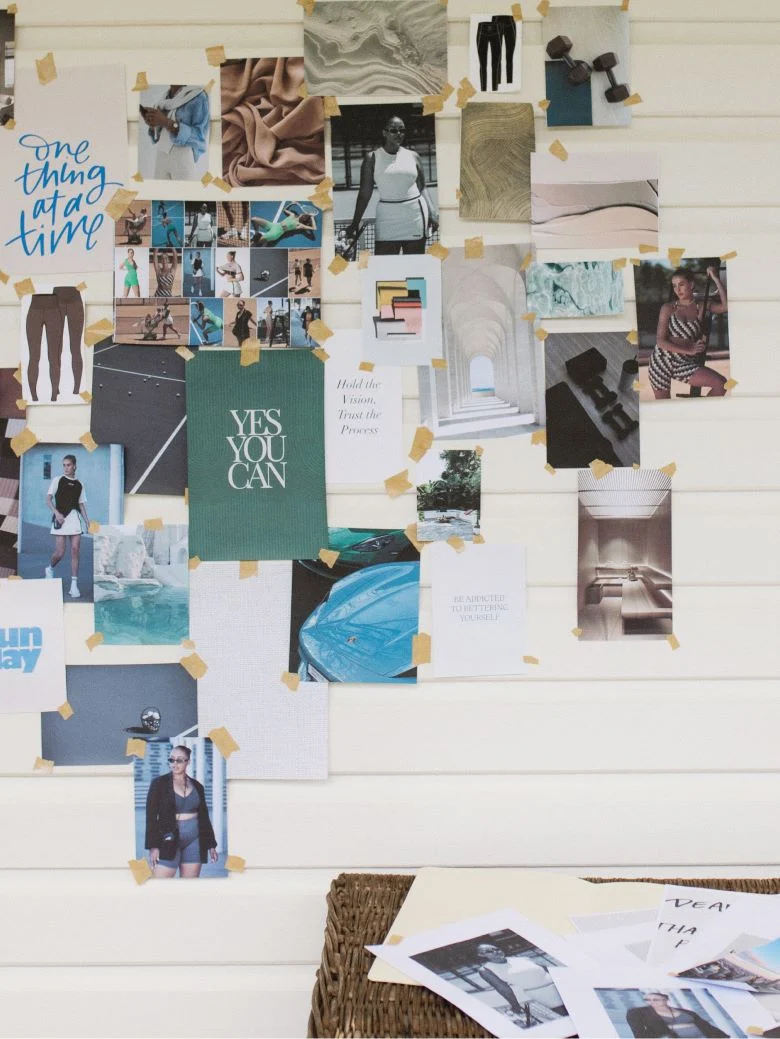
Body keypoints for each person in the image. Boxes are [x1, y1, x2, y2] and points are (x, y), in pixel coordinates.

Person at [344, 114, 439, 255]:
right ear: (384, 133)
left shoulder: (413, 156)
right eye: (393, 130)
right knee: (385, 269)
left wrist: (432, 211)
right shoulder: (372, 158)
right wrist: (354, 223)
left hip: (415, 218)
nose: (399, 134)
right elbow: (364, 194)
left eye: (402, 130)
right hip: (387, 220)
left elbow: (422, 186)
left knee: (414, 268)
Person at [649, 267, 728, 399]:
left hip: (683, 363)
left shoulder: (701, 306)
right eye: (674, 286)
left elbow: (725, 307)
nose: (677, 290)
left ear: (691, 285)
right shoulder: (668, 308)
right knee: (664, 410)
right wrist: (690, 350)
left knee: (721, 384)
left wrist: (715, 278)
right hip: (661, 361)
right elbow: (660, 341)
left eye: (681, 285)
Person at [144, 745, 218, 879]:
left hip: (194, 840)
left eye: (179, 760)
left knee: (189, 887)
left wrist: (211, 844)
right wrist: (153, 846)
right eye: (171, 760)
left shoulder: (197, 786)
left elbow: (204, 817)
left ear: (188, 762)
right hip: (167, 838)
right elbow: (151, 817)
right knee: (160, 885)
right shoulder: (158, 784)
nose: (174, 764)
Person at [475, 943, 564, 1027]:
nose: (495, 952)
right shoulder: (486, 969)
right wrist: (515, 1006)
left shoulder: (522, 959)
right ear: (481, 955)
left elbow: (548, 970)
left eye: (496, 949)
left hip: (561, 988)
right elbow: (503, 989)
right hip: (544, 996)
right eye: (489, 951)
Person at [44, 453, 90, 599]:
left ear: (74, 466)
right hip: (61, 518)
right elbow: (48, 499)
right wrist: (56, 513)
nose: (66, 468)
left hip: (74, 519)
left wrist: (87, 522)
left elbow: (81, 505)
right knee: (60, 553)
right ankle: (50, 569)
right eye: (64, 465)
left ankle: (74, 586)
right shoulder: (57, 480)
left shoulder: (80, 484)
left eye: (68, 465)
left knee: (75, 550)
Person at [140, 84, 209, 180]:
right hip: (161, 153)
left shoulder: (198, 96)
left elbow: (199, 136)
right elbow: (159, 134)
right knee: (159, 193)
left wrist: (166, 122)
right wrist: (153, 124)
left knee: (183, 193)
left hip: (182, 156)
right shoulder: (163, 98)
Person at [626, 991, 728, 1038]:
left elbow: (706, 1026)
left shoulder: (687, 1012)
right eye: (648, 1000)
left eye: (656, 999)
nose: (651, 1002)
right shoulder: (639, 1013)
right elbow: (639, 1033)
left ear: (666, 1000)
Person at [250, 202, 317, 247]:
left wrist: (312, 217)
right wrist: (292, 203)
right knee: (253, 219)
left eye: (306, 217)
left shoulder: (299, 225)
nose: (304, 215)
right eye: (305, 214)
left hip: (276, 233)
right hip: (273, 225)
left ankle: (261, 242)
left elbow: (314, 228)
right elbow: (284, 209)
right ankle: (256, 232)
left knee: (256, 243)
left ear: (304, 220)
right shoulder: (292, 215)